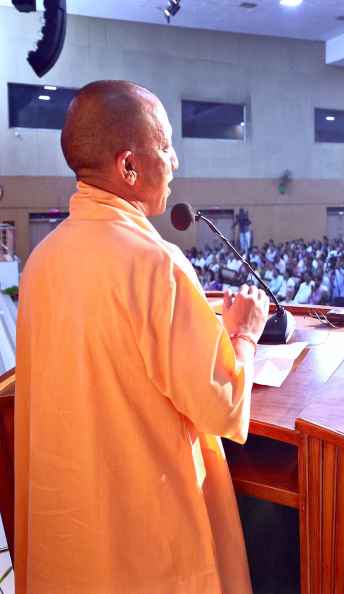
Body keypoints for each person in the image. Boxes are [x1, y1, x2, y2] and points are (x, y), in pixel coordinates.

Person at [15, 80, 268, 593]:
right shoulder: (155, 263)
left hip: (71, 529)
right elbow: (222, 406)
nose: (175, 162)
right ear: (129, 166)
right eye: (166, 147)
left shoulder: (41, 261)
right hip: (143, 541)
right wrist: (242, 335)